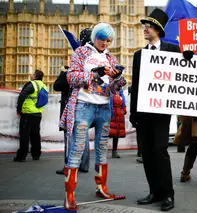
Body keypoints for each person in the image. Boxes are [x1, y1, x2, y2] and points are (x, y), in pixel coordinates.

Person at [59, 22, 126, 210]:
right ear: (95, 36)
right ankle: (69, 195)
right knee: (78, 148)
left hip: (104, 107)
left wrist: (119, 81)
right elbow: (71, 77)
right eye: (102, 39)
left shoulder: (111, 58)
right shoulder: (81, 53)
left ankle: (101, 187)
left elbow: (112, 88)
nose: (105, 43)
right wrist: (94, 75)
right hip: (83, 105)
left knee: (101, 149)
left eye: (109, 40)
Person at [129, 9, 180, 211]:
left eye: (148, 26)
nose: (145, 29)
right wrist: (133, 113)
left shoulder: (173, 50)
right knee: (148, 153)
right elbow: (136, 85)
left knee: (160, 150)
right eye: (144, 26)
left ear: (157, 29)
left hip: (161, 112)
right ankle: (155, 192)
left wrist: (189, 58)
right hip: (143, 112)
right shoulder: (138, 55)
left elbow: (185, 73)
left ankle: (168, 194)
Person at [55, 28, 93, 175]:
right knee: (82, 135)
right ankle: (83, 164)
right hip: (87, 103)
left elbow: (58, 86)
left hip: (72, 104)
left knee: (70, 136)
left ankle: (69, 166)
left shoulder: (77, 60)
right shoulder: (93, 58)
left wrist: (63, 72)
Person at [14, 70, 48, 162]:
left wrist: (19, 109)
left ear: (35, 76)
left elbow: (22, 96)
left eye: (32, 74)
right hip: (38, 113)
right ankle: (36, 154)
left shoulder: (31, 84)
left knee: (24, 135)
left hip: (28, 113)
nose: (31, 75)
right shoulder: (44, 85)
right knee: (35, 135)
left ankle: (21, 156)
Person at [109, 86, 127, 158]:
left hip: (119, 117)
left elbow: (123, 104)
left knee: (116, 135)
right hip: (112, 116)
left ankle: (114, 151)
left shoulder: (121, 94)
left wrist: (123, 111)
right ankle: (102, 152)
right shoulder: (111, 93)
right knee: (107, 133)